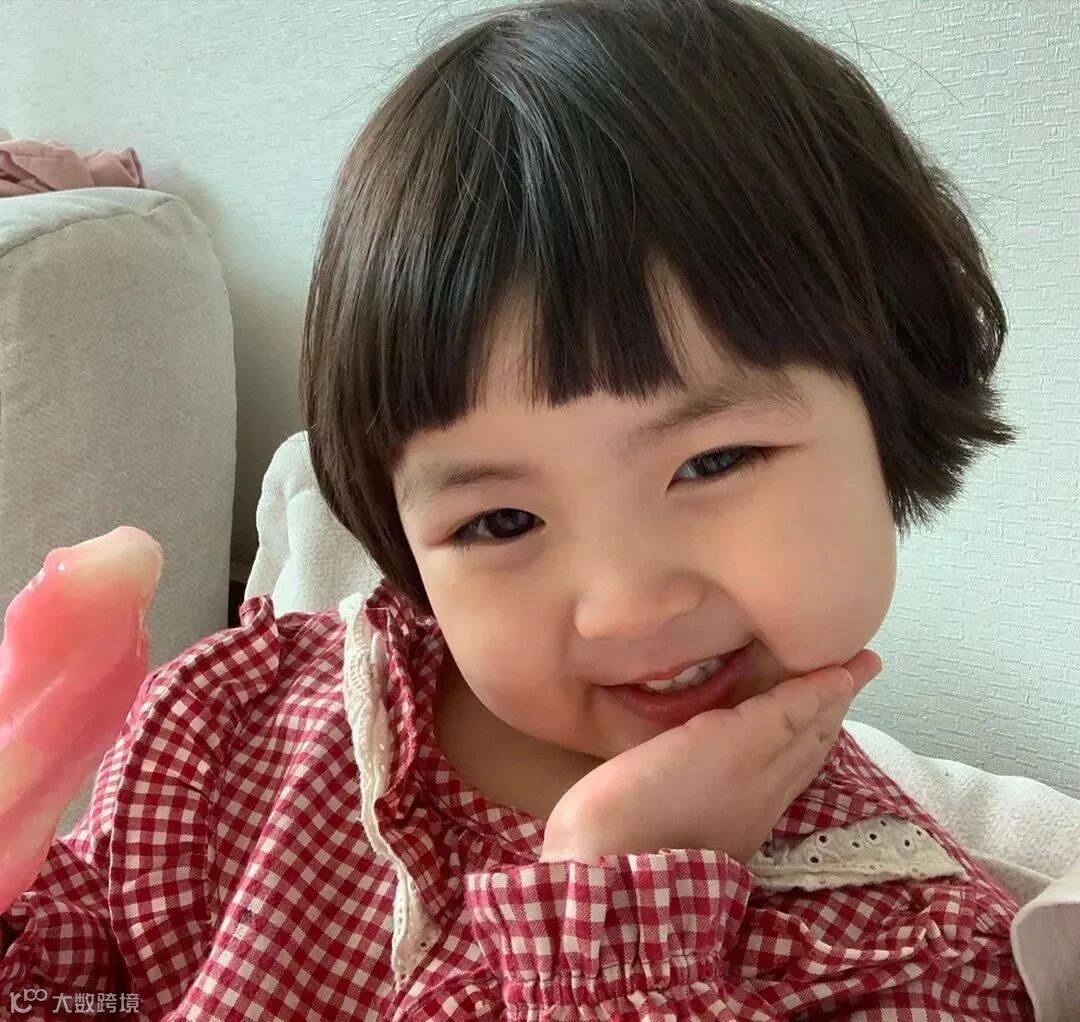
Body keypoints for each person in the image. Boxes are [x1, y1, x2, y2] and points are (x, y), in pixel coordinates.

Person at [1, 0, 1044, 1017]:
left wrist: (621, 911)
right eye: (501, 521)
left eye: (714, 460)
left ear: (895, 408)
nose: (626, 605)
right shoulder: (232, 727)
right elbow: (84, 984)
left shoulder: (918, 950)